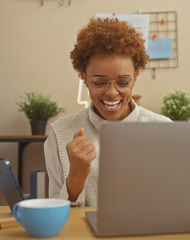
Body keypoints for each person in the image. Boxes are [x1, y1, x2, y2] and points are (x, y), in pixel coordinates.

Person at [44, 18, 172, 207]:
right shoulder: (60, 134)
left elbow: (174, 203)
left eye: (123, 82)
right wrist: (75, 179)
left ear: (136, 76)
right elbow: (54, 216)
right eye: (99, 82)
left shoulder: (164, 130)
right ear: (84, 78)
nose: (112, 93)